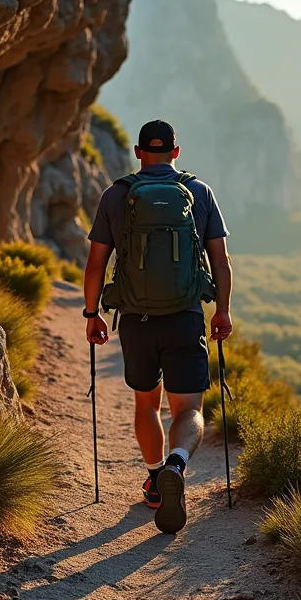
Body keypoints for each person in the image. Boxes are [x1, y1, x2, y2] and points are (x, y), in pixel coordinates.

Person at [82, 120, 234, 534]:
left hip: (136, 319)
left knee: (147, 404)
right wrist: (222, 311)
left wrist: (91, 314)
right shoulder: (198, 192)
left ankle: (154, 480)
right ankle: (177, 465)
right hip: (185, 317)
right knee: (189, 409)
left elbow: (96, 265)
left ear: (138, 152)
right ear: (175, 152)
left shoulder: (116, 195)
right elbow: (220, 262)